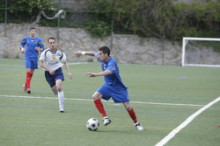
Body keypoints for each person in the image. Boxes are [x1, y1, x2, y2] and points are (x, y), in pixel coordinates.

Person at [75, 46, 144, 131]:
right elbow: (93, 53)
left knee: (128, 107)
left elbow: (108, 72)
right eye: (99, 54)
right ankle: (105, 118)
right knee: (95, 96)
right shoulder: (102, 58)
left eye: (100, 54)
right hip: (108, 85)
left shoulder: (112, 62)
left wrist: (96, 74)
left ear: (106, 54)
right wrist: (82, 53)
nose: (98, 56)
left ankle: (136, 123)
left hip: (118, 87)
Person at [39, 37, 72, 112]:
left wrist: (68, 72)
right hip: (48, 73)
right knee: (55, 91)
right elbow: (41, 64)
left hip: (58, 71)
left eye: (53, 42)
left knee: (59, 87)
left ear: (56, 43)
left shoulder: (60, 53)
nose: (52, 44)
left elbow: (65, 62)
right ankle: (57, 93)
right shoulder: (45, 52)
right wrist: (49, 69)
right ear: (48, 44)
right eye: (50, 43)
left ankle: (61, 107)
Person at [20, 27, 45, 94]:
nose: (33, 32)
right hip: (27, 57)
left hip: (35, 58)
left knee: (31, 74)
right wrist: (22, 49)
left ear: (35, 32)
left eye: (34, 31)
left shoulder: (38, 39)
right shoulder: (26, 38)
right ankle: (28, 88)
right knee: (28, 71)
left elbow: (43, 48)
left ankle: (25, 85)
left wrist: (39, 49)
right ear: (30, 32)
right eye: (32, 31)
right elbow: (22, 44)